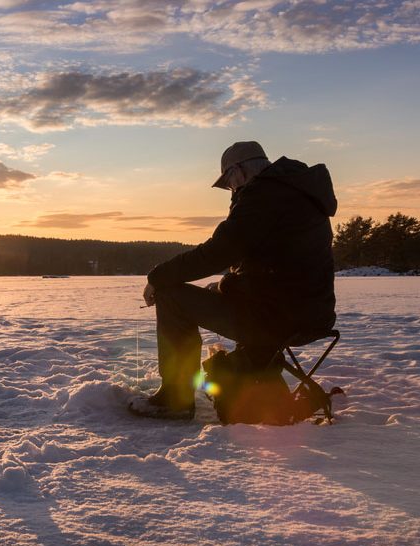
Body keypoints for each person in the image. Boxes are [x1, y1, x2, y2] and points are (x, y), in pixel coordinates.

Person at [129, 141, 337, 419]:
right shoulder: (297, 193)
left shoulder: (264, 195)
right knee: (213, 292)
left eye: (228, 182)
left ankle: (175, 400)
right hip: (310, 315)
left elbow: (218, 252)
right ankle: (252, 382)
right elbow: (274, 265)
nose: (231, 190)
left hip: (275, 318)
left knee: (172, 296)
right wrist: (226, 286)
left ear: (237, 171)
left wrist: (158, 276)